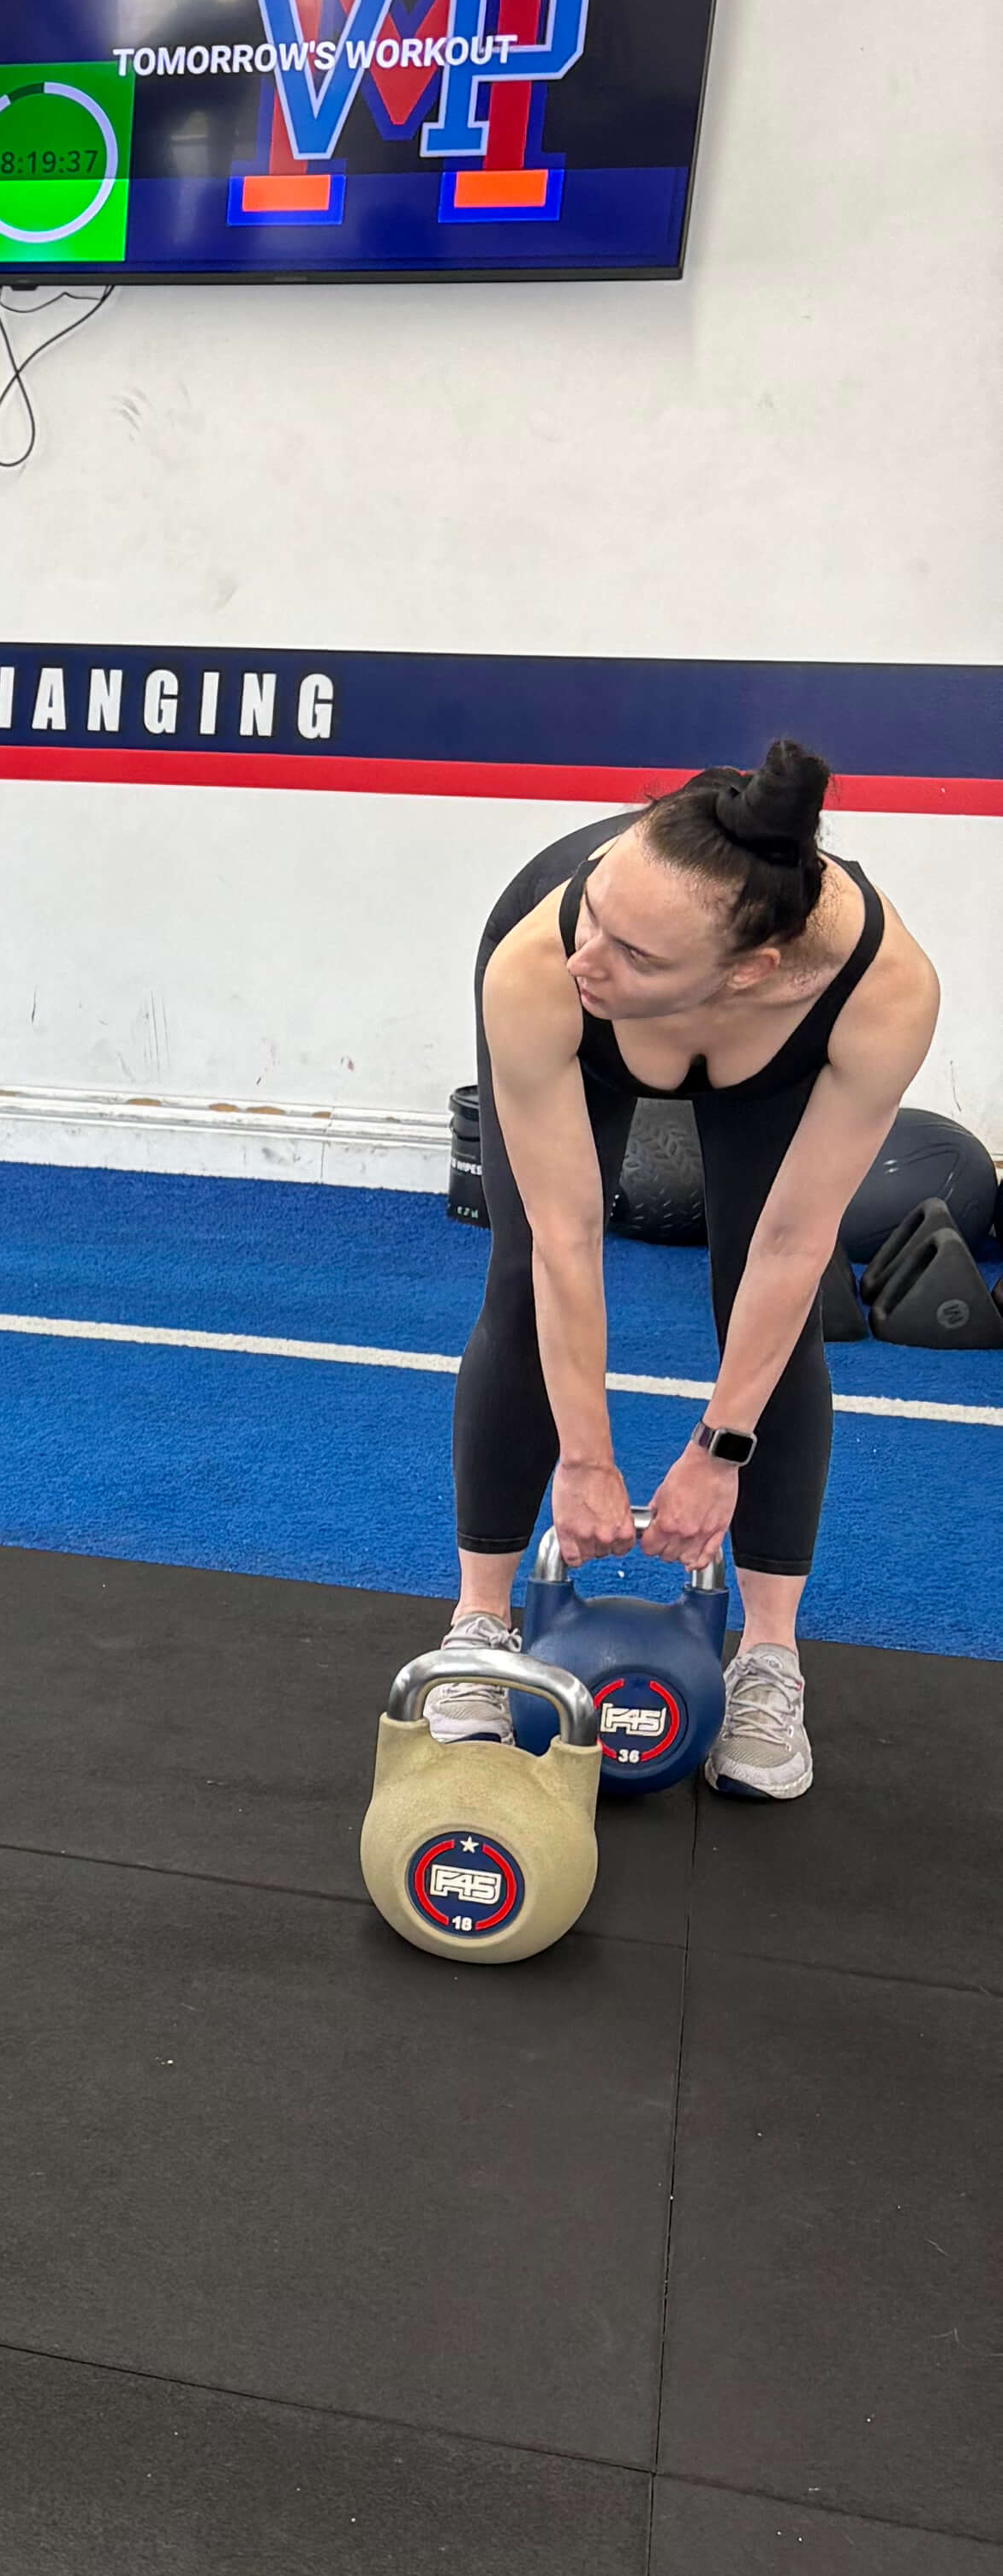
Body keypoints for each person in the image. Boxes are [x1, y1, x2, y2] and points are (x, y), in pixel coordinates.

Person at [429, 742, 940, 1800]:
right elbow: (567, 1238)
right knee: (521, 1280)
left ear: (751, 969)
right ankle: (479, 1622)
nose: (590, 958)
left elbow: (793, 1246)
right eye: (596, 914)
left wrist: (720, 1451)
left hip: (780, 1055)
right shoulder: (542, 964)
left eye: (632, 954)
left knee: (771, 1305)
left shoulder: (882, 994)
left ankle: (769, 1656)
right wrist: (584, 1459)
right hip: (588, 1063)